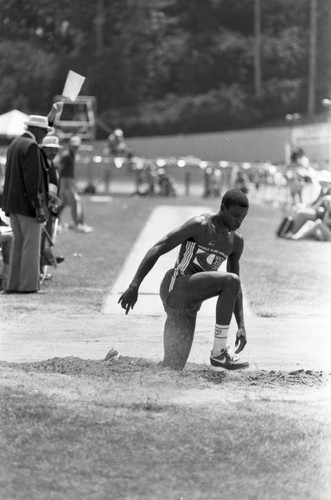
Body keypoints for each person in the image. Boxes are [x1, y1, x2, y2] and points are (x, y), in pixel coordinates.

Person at [118, 189, 250, 371]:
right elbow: (159, 247)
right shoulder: (200, 225)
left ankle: (116, 360)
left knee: (172, 366)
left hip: (190, 306)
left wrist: (241, 325)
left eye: (243, 217)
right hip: (176, 287)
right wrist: (134, 285)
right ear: (222, 208)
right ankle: (219, 352)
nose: (239, 221)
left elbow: (236, 289)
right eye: (235, 215)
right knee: (230, 280)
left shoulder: (236, 242)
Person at [1, 115, 52, 293]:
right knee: (31, 247)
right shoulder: (31, 146)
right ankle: (28, 286)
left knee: (17, 245)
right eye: (45, 131)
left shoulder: (15, 143)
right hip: (27, 206)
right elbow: (32, 182)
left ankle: (13, 284)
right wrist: (38, 206)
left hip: (12, 204)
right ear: (37, 130)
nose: (45, 135)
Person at [40, 135, 65, 280]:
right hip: (44, 206)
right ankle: (39, 270)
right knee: (42, 240)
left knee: (46, 239)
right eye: (50, 149)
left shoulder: (52, 165)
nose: (53, 152)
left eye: (55, 149)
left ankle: (42, 269)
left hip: (51, 207)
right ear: (43, 149)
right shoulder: (43, 165)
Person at [57, 135, 93, 233]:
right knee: (75, 202)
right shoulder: (66, 155)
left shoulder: (71, 155)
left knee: (62, 204)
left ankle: (56, 223)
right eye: (73, 145)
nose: (75, 147)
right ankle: (77, 224)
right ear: (70, 145)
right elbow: (59, 168)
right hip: (65, 183)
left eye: (76, 145)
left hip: (68, 182)